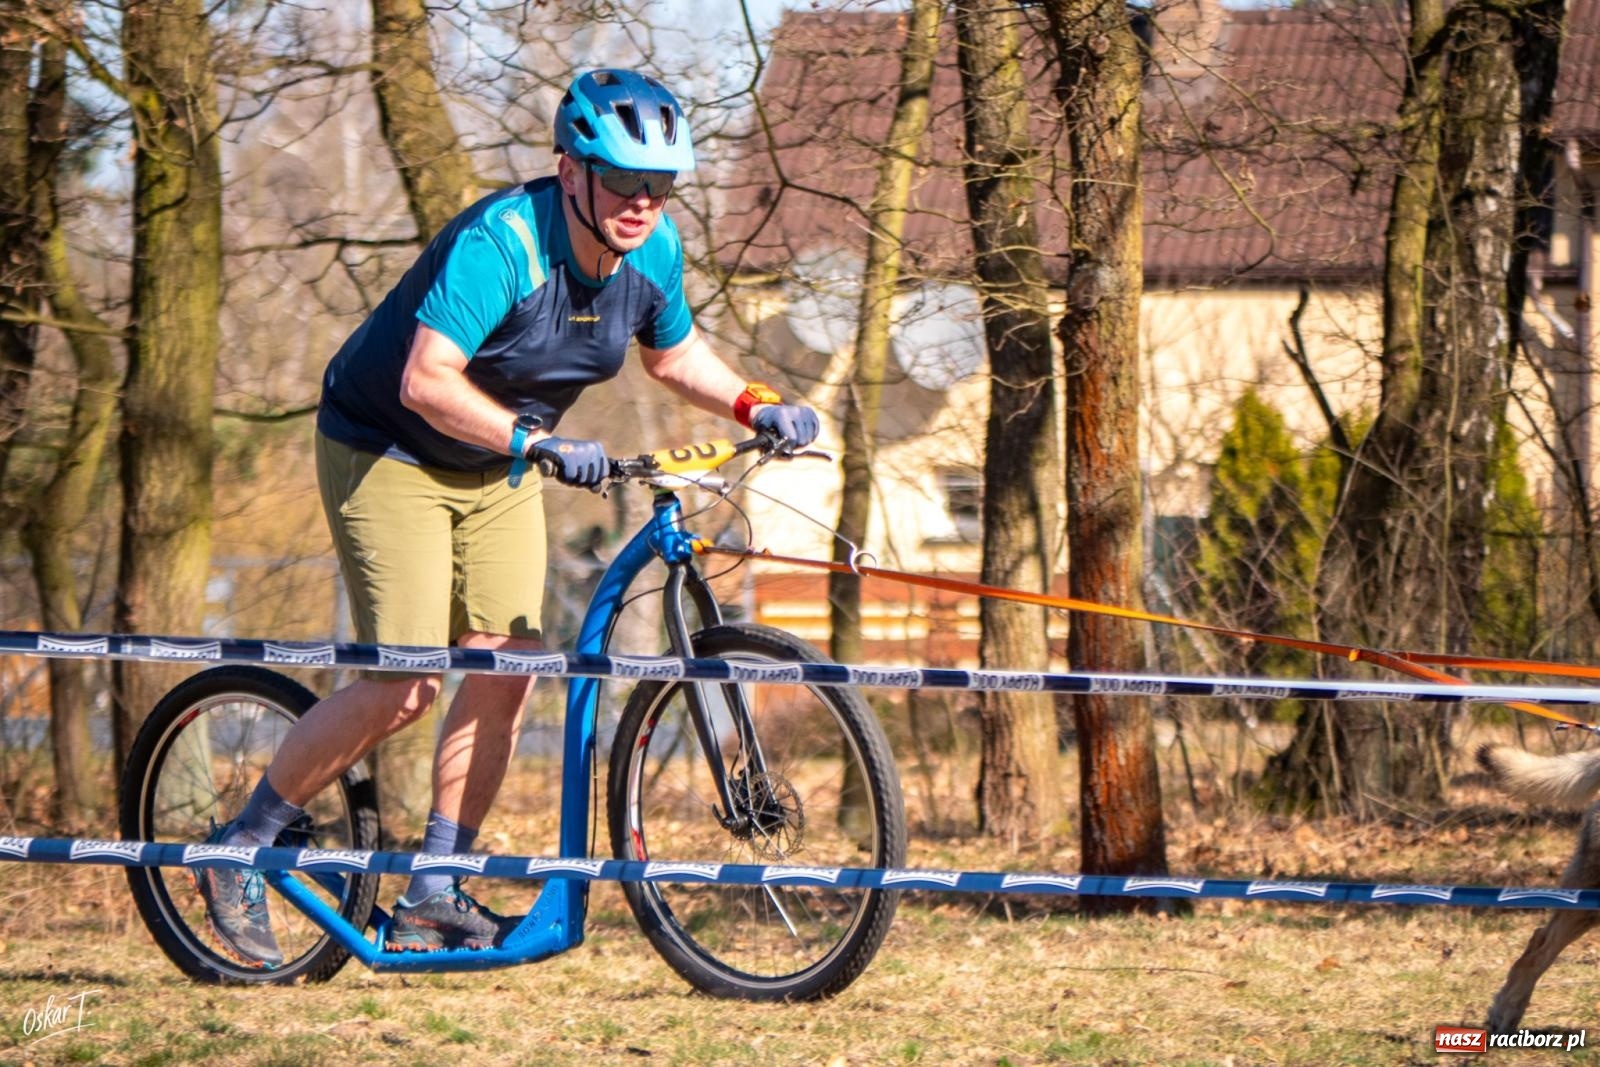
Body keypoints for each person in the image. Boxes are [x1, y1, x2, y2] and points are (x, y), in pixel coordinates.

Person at [198, 68, 820, 965]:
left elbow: (675, 355)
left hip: (500, 459)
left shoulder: (653, 251)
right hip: (388, 446)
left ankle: (434, 890)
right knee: (406, 683)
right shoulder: (505, 243)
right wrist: (536, 442)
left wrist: (757, 404)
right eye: (624, 179)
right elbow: (426, 380)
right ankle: (240, 844)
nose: (644, 202)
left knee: (511, 664)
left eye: (660, 183)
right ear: (570, 170)